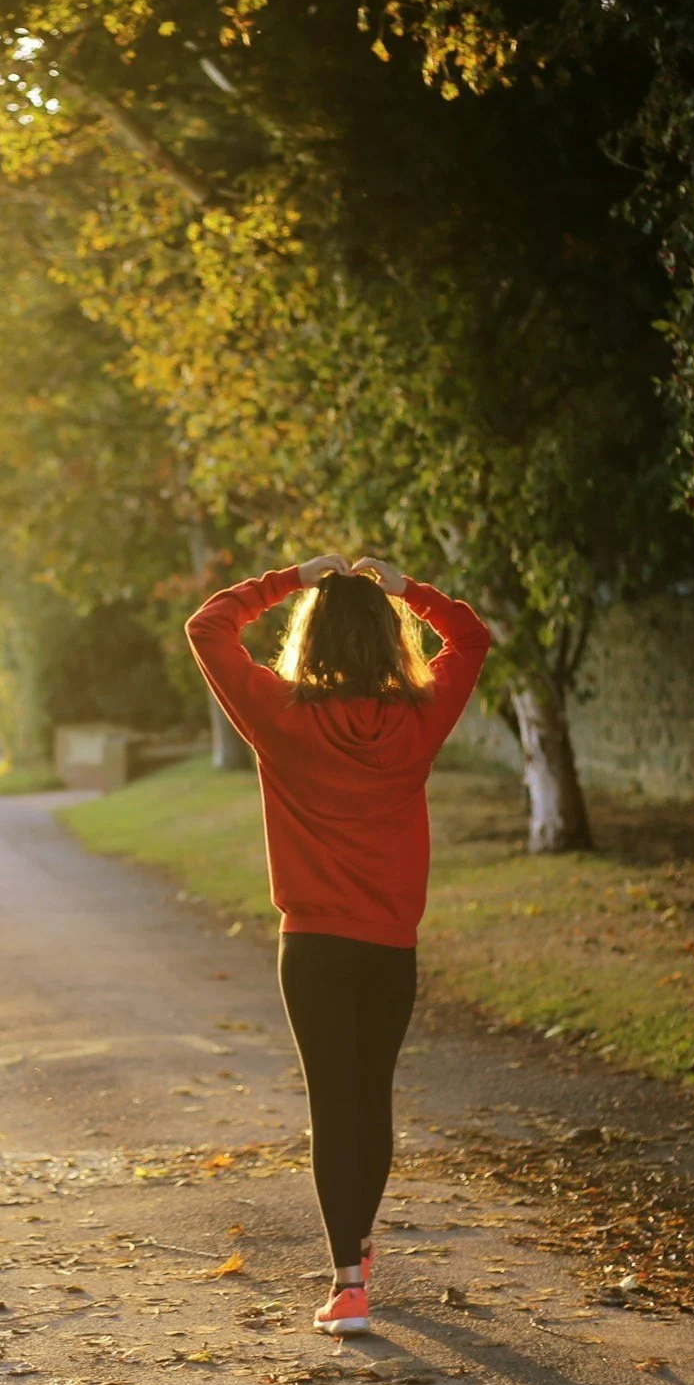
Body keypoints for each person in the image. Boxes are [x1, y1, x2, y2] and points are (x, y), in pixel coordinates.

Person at [185, 553, 491, 1335]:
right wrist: (407, 591)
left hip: (313, 945)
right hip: (389, 945)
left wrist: (290, 578)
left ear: (310, 639)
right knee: (371, 1097)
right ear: (389, 641)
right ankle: (355, 1249)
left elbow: (207, 625)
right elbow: (472, 636)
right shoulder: (419, 716)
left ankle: (348, 1281)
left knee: (333, 1103)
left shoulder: (278, 713)